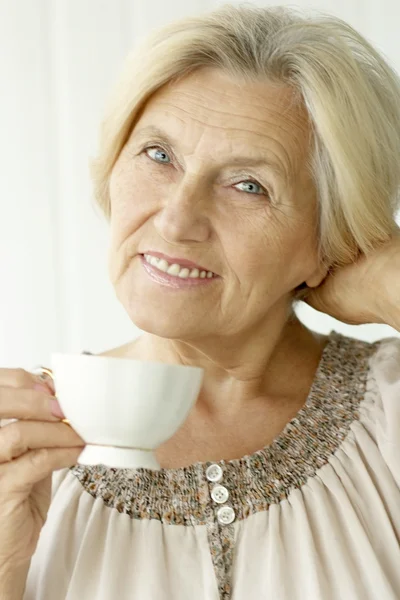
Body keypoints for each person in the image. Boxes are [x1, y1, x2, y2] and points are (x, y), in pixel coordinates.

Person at [1, 4, 400, 599]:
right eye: (159, 155)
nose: (177, 219)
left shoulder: (388, 420)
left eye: (248, 185)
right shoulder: (19, 452)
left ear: (332, 242)